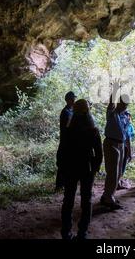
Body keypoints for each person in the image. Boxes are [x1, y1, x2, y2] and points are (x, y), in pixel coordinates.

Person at [56, 99, 103, 240]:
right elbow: (99, 154)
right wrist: (94, 168)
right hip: (87, 168)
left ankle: (66, 233)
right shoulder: (93, 130)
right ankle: (82, 233)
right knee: (86, 200)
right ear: (88, 111)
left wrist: (62, 167)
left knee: (68, 200)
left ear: (74, 111)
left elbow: (61, 151)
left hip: (71, 167)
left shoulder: (68, 130)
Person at [100, 81, 129, 210]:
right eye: (123, 104)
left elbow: (126, 133)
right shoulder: (112, 113)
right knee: (112, 172)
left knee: (118, 173)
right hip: (111, 143)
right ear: (119, 103)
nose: (125, 106)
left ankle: (108, 195)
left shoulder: (125, 116)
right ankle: (108, 198)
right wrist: (115, 89)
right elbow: (111, 104)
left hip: (121, 144)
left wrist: (128, 148)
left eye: (127, 104)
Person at [56, 91, 76, 190]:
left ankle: (64, 183)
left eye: (74, 99)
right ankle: (59, 185)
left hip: (69, 141)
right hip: (65, 141)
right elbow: (67, 127)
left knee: (68, 163)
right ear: (67, 100)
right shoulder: (65, 112)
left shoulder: (71, 110)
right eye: (72, 99)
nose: (74, 101)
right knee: (63, 163)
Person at [118, 110, 135, 190]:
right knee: (122, 166)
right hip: (124, 147)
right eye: (127, 115)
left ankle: (118, 182)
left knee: (119, 165)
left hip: (120, 145)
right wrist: (130, 152)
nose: (129, 117)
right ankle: (117, 183)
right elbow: (128, 139)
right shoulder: (126, 124)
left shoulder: (121, 123)